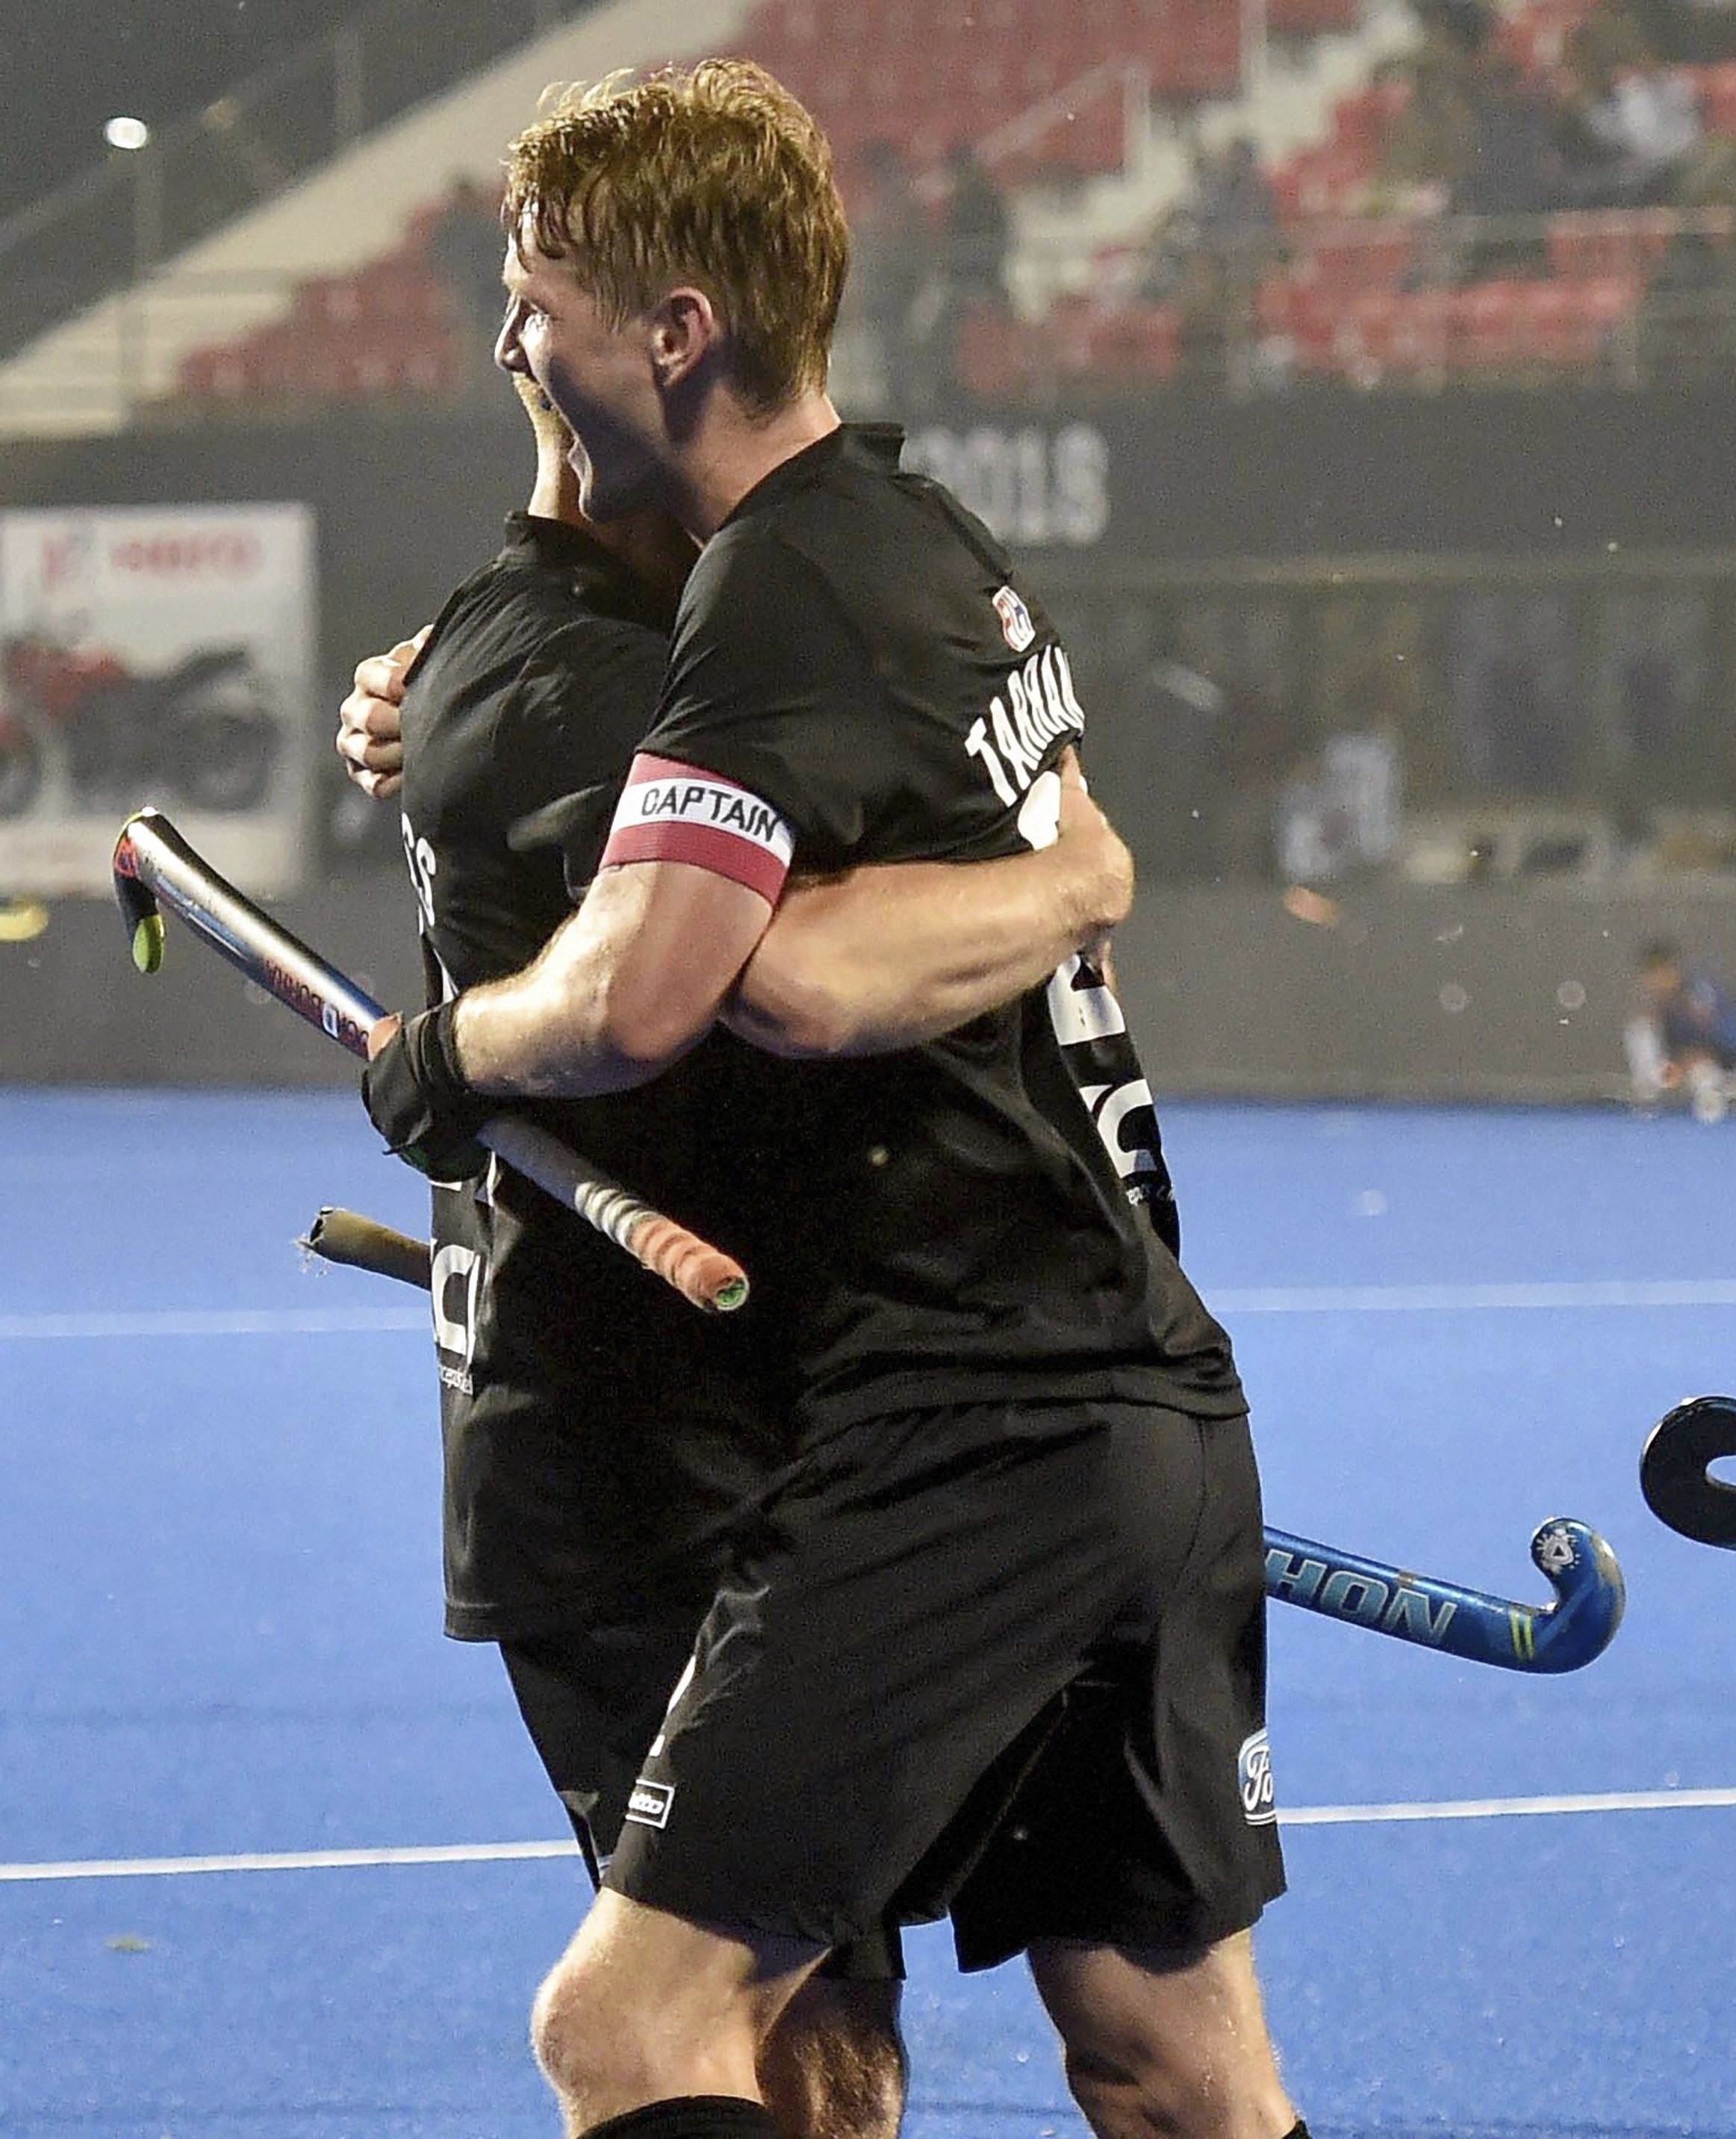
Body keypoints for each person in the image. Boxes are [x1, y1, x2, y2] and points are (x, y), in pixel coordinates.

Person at [351, 63, 1304, 2139]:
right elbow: (1020, 857)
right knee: (1173, 2072)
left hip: (966, 1418)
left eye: (540, 298)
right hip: (1155, 1393)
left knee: (633, 2037)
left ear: (677, 329)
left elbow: (698, 985)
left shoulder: (775, 593)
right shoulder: (933, 548)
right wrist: (1082, 878)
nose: (510, 332)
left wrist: (438, 1050)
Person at [1627, 937, 1736, 1119]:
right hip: (1676, 1067)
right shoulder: (1658, 1005)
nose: (1656, 979)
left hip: (1717, 1062)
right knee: (1640, 1030)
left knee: (1703, 1075)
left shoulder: (1699, 991)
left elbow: (1723, 1038)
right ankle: (1647, 1096)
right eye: (1651, 974)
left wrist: (1699, 1057)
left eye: (1661, 972)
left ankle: (1722, 1092)